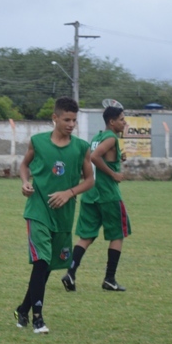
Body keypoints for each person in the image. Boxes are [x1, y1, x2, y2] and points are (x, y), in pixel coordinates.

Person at [14, 96, 94, 334]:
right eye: (66, 119)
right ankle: (38, 318)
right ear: (55, 118)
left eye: (74, 120)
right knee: (41, 261)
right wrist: (25, 183)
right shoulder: (37, 142)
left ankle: (23, 308)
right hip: (38, 211)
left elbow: (90, 180)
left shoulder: (81, 147)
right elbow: (24, 166)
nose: (71, 124)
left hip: (63, 216)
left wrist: (69, 193)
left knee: (46, 265)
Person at [62, 105, 130, 292]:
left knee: (86, 236)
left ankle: (70, 273)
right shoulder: (110, 138)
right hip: (108, 194)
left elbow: (100, 155)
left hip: (91, 195)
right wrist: (114, 174)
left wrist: (117, 158)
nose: (125, 123)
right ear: (112, 122)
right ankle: (109, 279)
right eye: (122, 119)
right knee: (117, 235)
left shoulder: (98, 137)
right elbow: (95, 157)